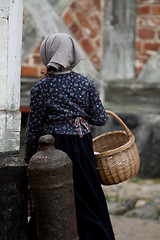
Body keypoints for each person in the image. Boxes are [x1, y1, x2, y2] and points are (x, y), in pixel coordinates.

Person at [25, 33, 116, 240]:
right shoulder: (86, 84)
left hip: (53, 148)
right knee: (88, 196)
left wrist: (29, 159)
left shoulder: (41, 88)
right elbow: (101, 118)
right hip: (81, 145)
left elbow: (33, 130)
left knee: (52, 195)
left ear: (48, 54)